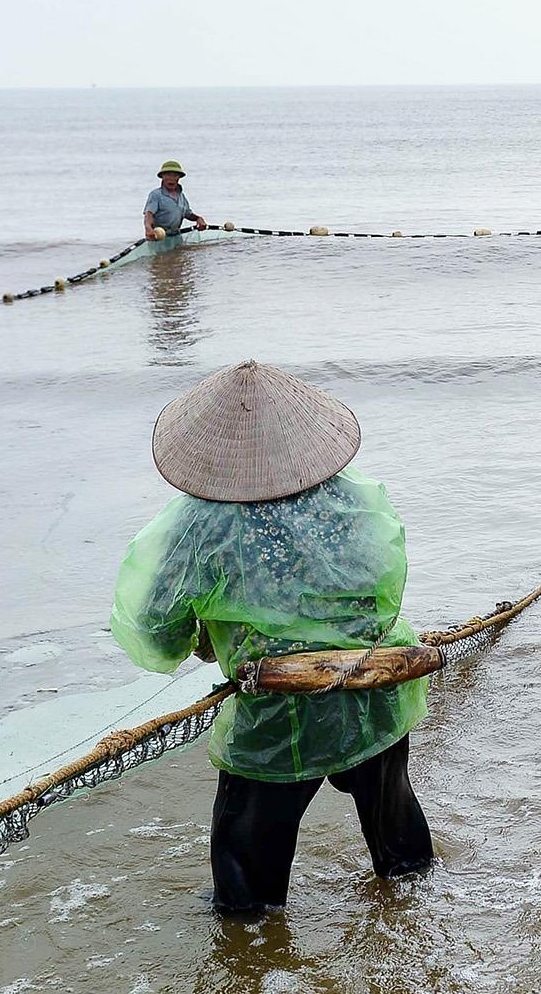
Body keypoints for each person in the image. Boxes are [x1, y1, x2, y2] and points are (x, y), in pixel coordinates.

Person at [111, 361, 434, 915]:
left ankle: (252, 968)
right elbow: (386, 590)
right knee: (400, 848)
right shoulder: (358, 500)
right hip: (374, 687)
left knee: (246, 891)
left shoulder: (199, 526)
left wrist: (205, 637)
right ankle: (413, 919)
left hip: (276, 711)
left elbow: (154, 630)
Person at [142, 160, 207, 239]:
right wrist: (148, 228)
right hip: (158, 237)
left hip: (176, 237)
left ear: (179, 177)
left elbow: (188, 214)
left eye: (175, 175)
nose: (171, 178)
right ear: (162, 177)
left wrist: (199, 219)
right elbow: (149, 214)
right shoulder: (156, 195)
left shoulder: (181, 196)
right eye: (168, 175)